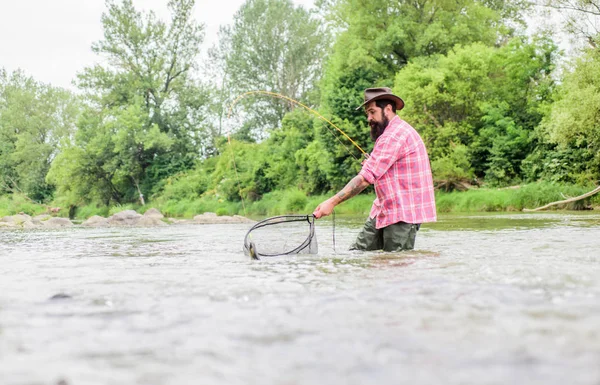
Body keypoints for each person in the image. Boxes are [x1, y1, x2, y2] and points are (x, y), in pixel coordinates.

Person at [313, 87, 437, 251]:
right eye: (367, 113)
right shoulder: (392, 133)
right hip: (383, 209)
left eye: (372, 112)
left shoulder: (393, 135)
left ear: (387, 109)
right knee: (358, 253)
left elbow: (365, 179)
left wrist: (332, 202)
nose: (368, 118)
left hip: (403, 214)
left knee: (396, 266)